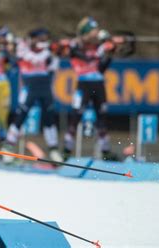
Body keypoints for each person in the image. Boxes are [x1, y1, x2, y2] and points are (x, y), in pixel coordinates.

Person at [62, 17, 118, 161]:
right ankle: (66, 151)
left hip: (98, 84)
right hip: (83, 85)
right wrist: (102, 46)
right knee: (75, 117)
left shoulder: (98, 47)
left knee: (102, 117)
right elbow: (79, 53)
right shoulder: (76, 44)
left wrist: (110, 47)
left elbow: (102, 67)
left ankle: (105, 151)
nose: (97, 33)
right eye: (94, 30)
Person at [5, 28, 63, 163]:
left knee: (49, 117)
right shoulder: (23, 46)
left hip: (44, 86)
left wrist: (54, 54)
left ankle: (53, 149)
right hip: (28, 86)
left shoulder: (48, 51)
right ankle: (8, 147)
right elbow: (31, 58)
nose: (44, 41)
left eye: (45, 39)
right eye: (41, 38)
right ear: (33, 38)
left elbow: (53, 67)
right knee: (21, 115)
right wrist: (46, 52)